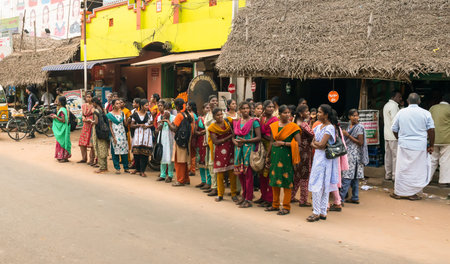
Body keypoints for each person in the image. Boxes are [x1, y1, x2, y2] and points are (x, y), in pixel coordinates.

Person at [390, 93, 435, 200]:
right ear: (419, 101)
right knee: (416, 170)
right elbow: (431, 130)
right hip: (419, 146)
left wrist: (400, 138)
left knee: (402, 169)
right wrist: (431, 145)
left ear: (407, 101)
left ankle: (399, 192)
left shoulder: (401, 112)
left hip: (404, 145)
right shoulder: (426, 113)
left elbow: (394, 129)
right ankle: (412, 193)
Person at [264, 105, 301, 216]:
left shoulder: (293, 127)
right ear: (279, 114)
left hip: (287, 156)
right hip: (275, 155)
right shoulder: (274, 126)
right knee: (275, 179)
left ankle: (286, 206)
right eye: (285, 113)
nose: (287, 115)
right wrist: (268, 155)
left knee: (286, 181)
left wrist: (284, 143)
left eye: (289, 113)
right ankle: (275, 204)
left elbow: (299, 143)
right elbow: (271, 141)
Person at [307, 104, 339, 222]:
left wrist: (316, 144)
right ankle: (322, 211)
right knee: (321, 185)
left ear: (326, 115)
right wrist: (317, 144)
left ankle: (317, 212)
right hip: (319, 158)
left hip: (325, 160)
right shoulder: (319, 127)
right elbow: (314, 143)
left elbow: (320, 144)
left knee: (319, 185)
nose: (318, 114)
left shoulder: (329, 128)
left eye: (320, 112)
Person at [233, 102, 261, 208]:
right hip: (239, 150)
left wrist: (246, 141)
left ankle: (248, 199)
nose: (245, 110)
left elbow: (258, 137)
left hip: (249, 150)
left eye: (247, 108)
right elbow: (233, 136)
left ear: (250, 110)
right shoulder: (237, 122)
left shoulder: (254, 122)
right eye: (243, 108)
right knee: (241, 175)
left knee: (248, 175)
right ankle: (244, 196)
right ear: (239, 110)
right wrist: (235, 142)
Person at [208, 108, 237, 202]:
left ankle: (234, 194)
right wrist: (230, 137)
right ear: (214, 117)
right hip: (219, 151)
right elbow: (216, 141)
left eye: (221, 114)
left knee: (232, 173)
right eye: (218, 115)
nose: (220, 116)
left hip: (231, 149)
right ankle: (220, 194)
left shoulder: (228, 121)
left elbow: (238, 122)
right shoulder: (212, 127)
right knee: (220, 174)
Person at [340, 109, 369, 204]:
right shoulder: (348, 126)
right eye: (353, 116)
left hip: (354, 155)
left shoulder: (359, 127)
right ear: (349, 117)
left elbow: (360, 142)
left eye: (357, 116)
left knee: (347, 176)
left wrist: (348, 135)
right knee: (354, 177)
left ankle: (340, 199)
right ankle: (355, 197)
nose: (356, 117)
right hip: (349, 153)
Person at [164, 98, 193, 187]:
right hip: (187, 140)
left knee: (179, 161)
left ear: (176, 106)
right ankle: (186, 179)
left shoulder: (179, 115)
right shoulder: (188, 115)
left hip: (180, 141)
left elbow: (174, 128)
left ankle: (180, 180)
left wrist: (168, 121)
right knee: (184, 160)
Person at [254, 100, 278, 207]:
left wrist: (262, 136)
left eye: (272, 107)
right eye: (269, 107)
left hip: (270, 147)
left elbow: (271, 137)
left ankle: (269, 199)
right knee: (261, 174)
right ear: (264, 107)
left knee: (269, 174)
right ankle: (263, 196)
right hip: (261, 147)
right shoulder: (262, 118)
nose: (271, 108)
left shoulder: (275, 120)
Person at [292, 105, 314, 206]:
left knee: (296, 175)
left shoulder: (294, 122)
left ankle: (291, 196)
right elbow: (312, 134)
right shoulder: (304, 124)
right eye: (307, 111)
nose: (308, 113)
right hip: (304, 151)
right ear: (301, 114)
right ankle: (303, 200)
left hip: (296, 150)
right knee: (305, 176)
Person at [429, 93, 450, 187]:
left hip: (433, 138)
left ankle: (426, 180)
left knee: (432, 160)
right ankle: (443, 182)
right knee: (445, 160)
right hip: (447, 139)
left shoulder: (433, 108)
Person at [383, 90, 402, 181]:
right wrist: (398, 135)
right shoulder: (394, 106)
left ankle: (388, 174)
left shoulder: (386, 105)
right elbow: (395, 123)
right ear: (394, 97)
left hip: (386, 134)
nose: (400, 99)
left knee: (388, 156)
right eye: (399, 97)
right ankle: (394, 176)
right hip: (393, 136)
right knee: (395, 156)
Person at [130, 99, 153, 177]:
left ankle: (142, 170)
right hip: (138, 135)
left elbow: (152, 124)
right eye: (146, 105)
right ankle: (137, 168)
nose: (147, 107)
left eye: (148, 105)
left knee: (145, 154)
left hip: (146, 136)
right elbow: (132, 125)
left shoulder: (149, 114)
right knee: (136, 153)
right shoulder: (135, 114)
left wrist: (147, 126)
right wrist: (139, 125)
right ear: (142, 106)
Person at [107, 99, 130, 174]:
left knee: (124, 151)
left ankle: (126, 167)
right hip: (115, 134)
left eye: (119, 103)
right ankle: (117, 168)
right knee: (115, 152)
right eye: (117, 103)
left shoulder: (122, 113)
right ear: (113, 105)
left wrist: (129, 120)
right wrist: (113, 137)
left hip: (122, 134)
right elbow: (110, 126)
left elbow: (125, 124)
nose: (119, 105)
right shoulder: (110, 114)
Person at [204, 95, 219, 196]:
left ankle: (216, 187)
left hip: (217, 142)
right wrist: (205, 140)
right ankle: (213, 185)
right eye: (213, 101)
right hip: (209, 142)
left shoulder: (219, 114)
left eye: (216, 101)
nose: (215, 102)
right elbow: (206, 128)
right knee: (209, 164)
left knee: (214, 164)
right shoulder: (208, 114)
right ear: (209, 103)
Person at [156, 101, 176, 182]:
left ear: (171, 109)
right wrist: (162, 120)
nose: (167, 111)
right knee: (162, 155)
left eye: (168, 109)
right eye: (165, 109)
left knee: (170, 156)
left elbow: (173, 128)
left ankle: (170, 175)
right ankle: (162, 174)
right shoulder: (159, 117)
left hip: (170, 138)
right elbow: (159, 129)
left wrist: (167, 120)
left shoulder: (173, 117)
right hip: (162, 138)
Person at [195, 103, 211, 189]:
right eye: (206, 108)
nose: (208, 109)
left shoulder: (212, 118)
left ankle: (209, 182)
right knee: (201, 162)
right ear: (203, 109)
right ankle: (203, 180)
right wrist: (202, 132)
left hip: (209, 141)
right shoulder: (199, 119)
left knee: (208, 162)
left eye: (209, 108)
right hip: (200, 142)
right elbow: (195, 131)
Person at [51, 96, 71, 163]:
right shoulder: (64, 109)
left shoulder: (62, 110)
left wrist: (56, 117)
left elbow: (63, 120)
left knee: (61, 142)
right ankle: (64, 156)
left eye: (58, 101)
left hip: (62, 129)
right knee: (64, 142)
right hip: (64, 128)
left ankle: (62, 157)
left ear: (60, 102)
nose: (57, 102)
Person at [91, 97, 109, 173]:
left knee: (98, 148)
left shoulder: (96, 111)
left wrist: (91, 121)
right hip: (104, 131)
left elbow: (96, 122)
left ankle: (101, 167)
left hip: (98, 131)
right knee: (104, 147)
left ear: (94, 103)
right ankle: (105, 166)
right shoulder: (103, 110)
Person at [78, 91, 95, 164]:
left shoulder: (94, 105)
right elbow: (82, 114)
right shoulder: (84, 105)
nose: (88, 98)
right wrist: (83, 118)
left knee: (92, 143)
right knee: (82, 142)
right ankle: (84, 158)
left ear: (92, 97)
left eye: (89, 97)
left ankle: (91, 160)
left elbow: (95, 115)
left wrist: (90, 120)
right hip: (85, 124)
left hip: (92, 124)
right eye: (87, 97)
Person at [187, 101, 198, 176]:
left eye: (187, 105)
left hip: (192, 135)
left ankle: (192, 169)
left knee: (191, 153)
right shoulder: (195, 114)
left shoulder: (191, 115)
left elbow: (193, 126)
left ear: (190, 107)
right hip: (194, 135)